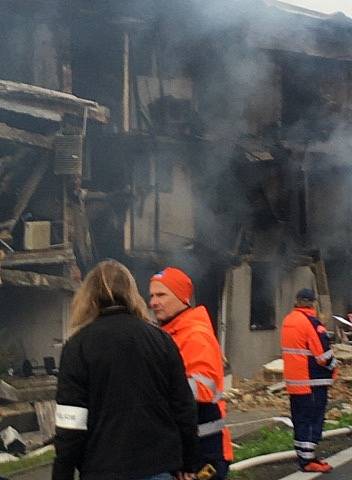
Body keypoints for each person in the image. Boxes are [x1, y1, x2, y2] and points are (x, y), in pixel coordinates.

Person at [53, 260, 199, 480]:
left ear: (89, 298)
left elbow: (70, 422)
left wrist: (62, 473)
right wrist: (189, 461)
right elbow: (183, 407)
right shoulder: (161, 340)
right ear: (132, 294)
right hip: (158, 466)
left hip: (102, 467)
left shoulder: (77, 346)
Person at [149, 267, 233, 480]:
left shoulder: (195, 335)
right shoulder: (173, 333)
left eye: (161, 295)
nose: (153, 302)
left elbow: (204, 390)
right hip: (187, 448)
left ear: (182, 298)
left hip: (204, 451)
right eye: (151, 295)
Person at [281, 288, 338, 473]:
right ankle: (308, 461)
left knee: (300, 420)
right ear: (313, 302)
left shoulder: (288, 320)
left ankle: (304, 457)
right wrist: (334, 366)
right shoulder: (312, 323)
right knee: (313, 420)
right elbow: (323, 356)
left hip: (295, 382)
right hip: (313, 382)